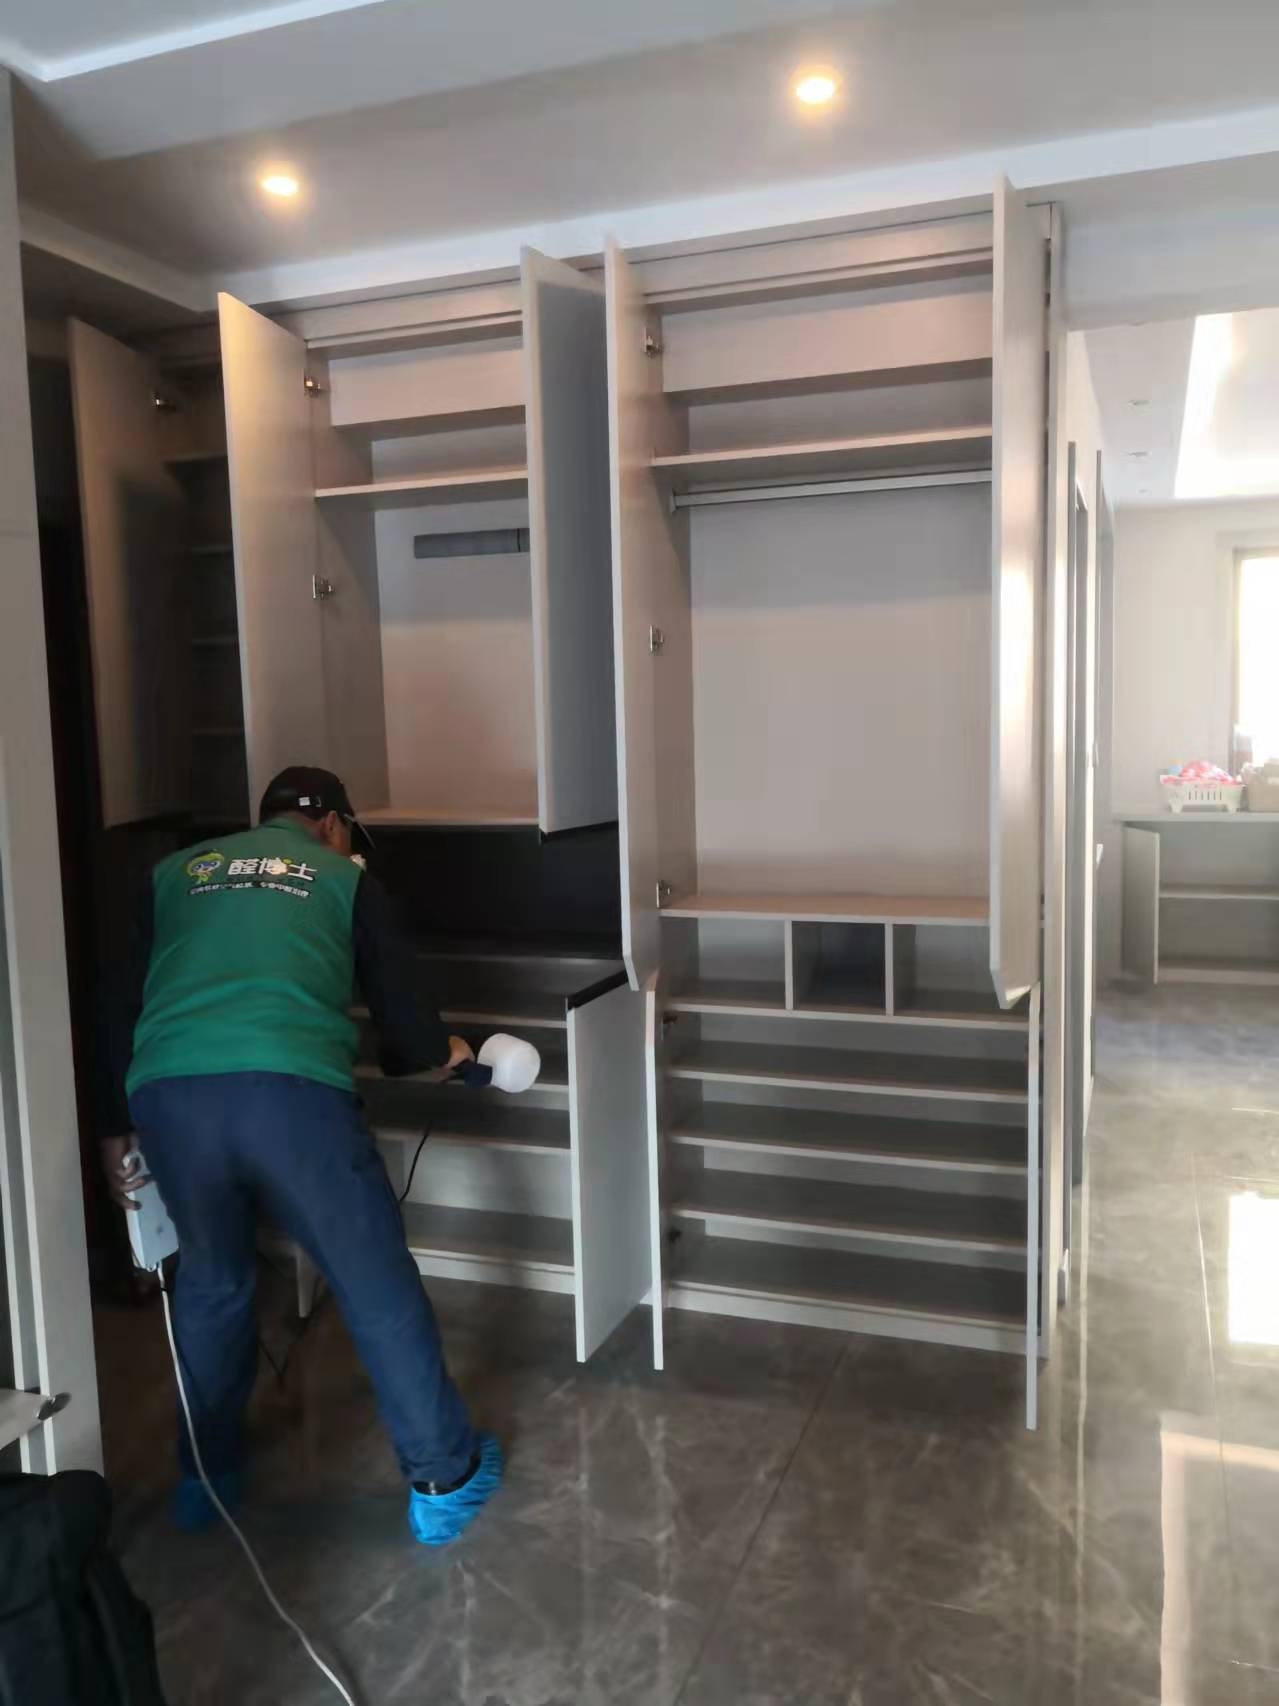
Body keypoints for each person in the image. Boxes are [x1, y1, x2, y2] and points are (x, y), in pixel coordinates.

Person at [101, 766, 502, 1546]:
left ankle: (205, 1476)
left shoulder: (174, 873)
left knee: (213, 1281)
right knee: (373, 1281)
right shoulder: (345, 880)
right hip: (289, 1095)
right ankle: (445, 1477)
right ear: (332, 825)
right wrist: (446, 1053)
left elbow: (118, 1002)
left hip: (168, 1095)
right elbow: (407, 1032)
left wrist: (112, 1123)